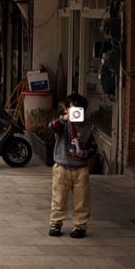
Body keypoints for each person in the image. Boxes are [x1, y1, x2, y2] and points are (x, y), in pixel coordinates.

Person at [49, 93, 96, 239]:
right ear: (66, 110)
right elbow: (52, 126)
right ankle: (56, 223)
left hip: (81, 168)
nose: (75, 112)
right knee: (59, 197)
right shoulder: (63, 124)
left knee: (82, 199)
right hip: (62, 167)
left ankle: (80, 225)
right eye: (71, 108)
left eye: (78, 109)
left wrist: (85, 153)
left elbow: (93, 147)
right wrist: (64, 119)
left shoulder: (88, 126)